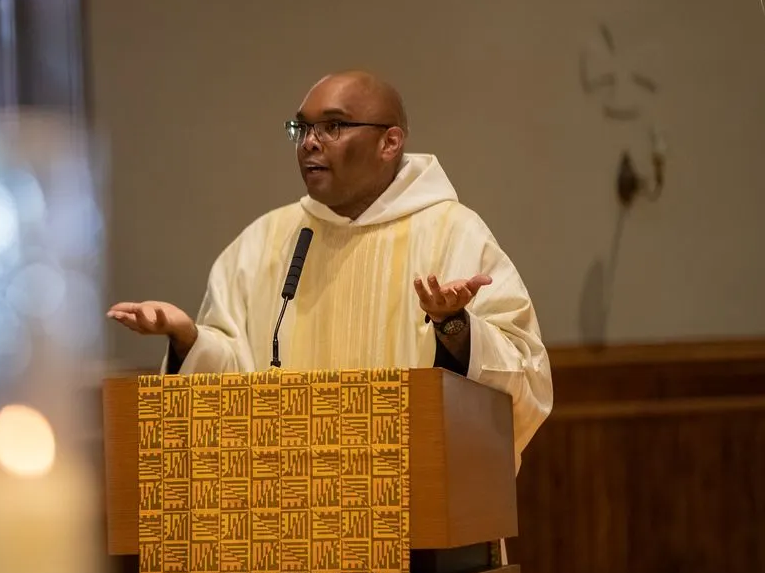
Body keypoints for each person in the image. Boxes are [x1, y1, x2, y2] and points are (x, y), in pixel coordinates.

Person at [108, 70, 552, 461]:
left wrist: (455, 327)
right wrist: (189, 340)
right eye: (301, 128)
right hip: (289, 524)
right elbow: (233, 397)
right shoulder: (262, 244)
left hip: (419, 519)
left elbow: (525, 377)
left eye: (333, 126)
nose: (310, 142)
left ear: (389, 142)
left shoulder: (452, 234)